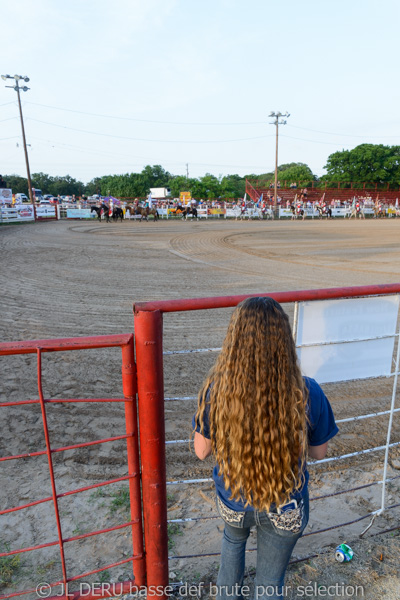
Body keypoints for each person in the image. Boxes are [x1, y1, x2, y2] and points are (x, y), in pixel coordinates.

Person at [193, 297, 338, 600]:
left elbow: (201, 451)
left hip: (233, 501)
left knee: (233, 542)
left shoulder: (216, 389)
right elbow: (318, 452)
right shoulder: (308, 390)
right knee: (270, 584)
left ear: (234, 339)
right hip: (286, 506)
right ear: (284, 338)